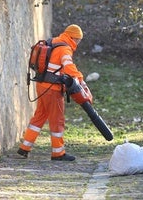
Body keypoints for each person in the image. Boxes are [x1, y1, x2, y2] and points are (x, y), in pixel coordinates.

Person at [17, 24, 92, 161]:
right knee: (57, 120)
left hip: (41, 85)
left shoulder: (54, 42)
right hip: (52, 89)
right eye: (78, 40)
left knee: (40, 116)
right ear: (72, 37)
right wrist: (80, 80)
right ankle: (58, 153)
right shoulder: (65, 49)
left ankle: (24, 147)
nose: (78, 43)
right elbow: (69, 67)